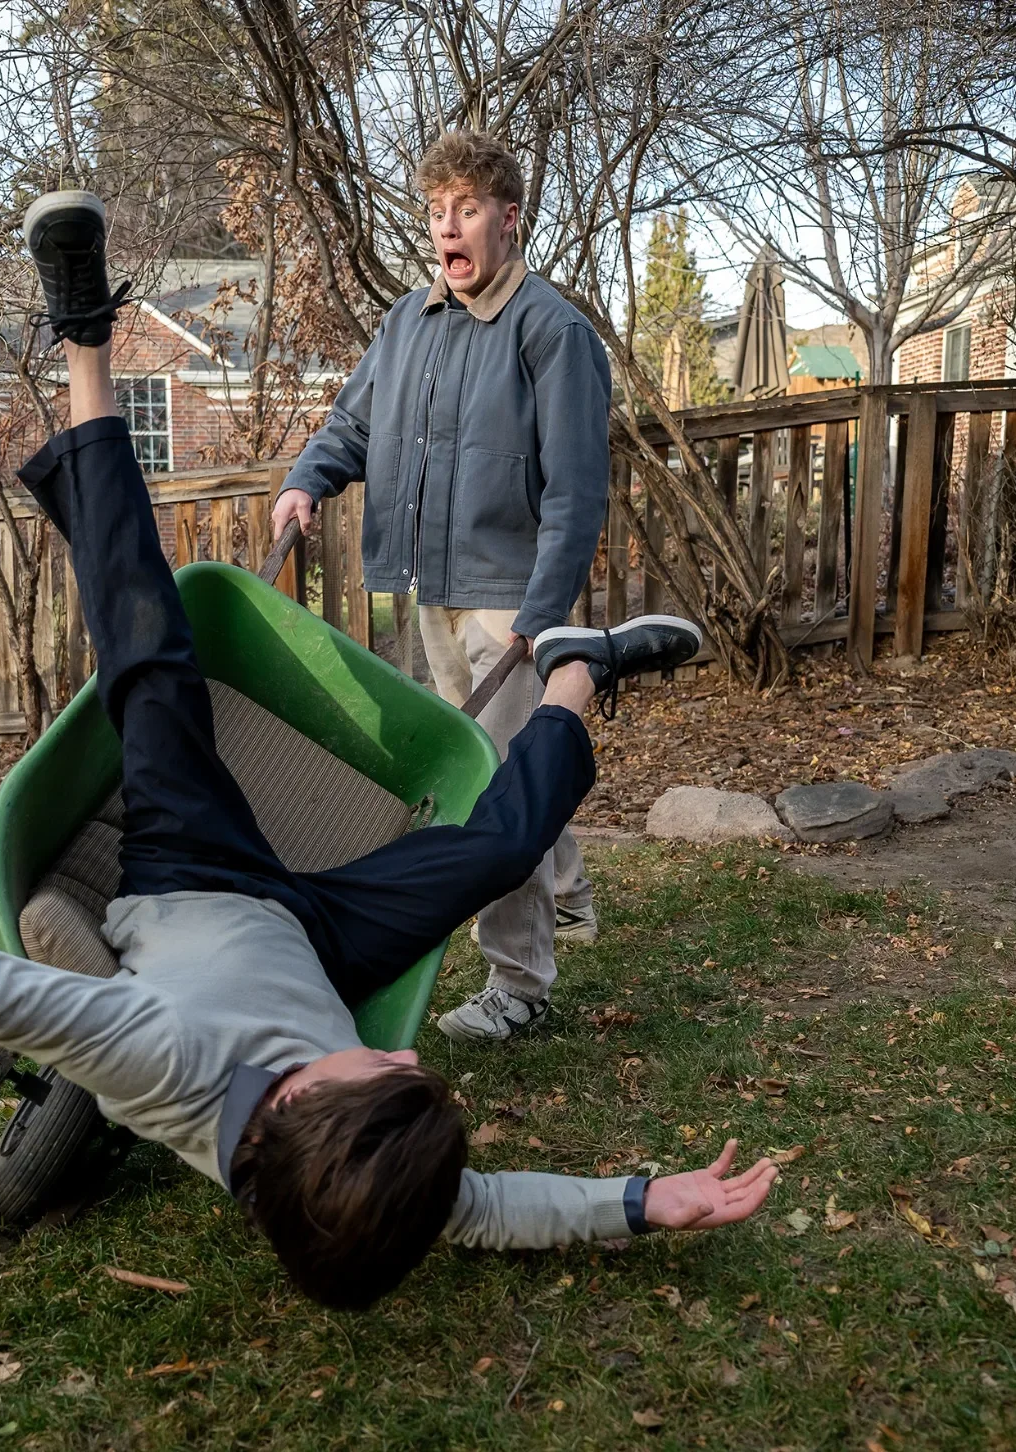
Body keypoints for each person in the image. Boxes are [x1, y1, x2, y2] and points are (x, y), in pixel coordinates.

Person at [0, 191, 776, 1313]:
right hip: (320, 940)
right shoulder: (350, 1168)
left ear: (292, 1107)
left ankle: (86, 339)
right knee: (498, 846)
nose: (405, 1058)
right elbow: (481, 1210)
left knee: (147, 657)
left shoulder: (164, 1065)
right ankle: (580, 671)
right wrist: (639, 1202)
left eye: (389, 1077)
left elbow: (13, 1001)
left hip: (190, 876)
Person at [271, 130, 618, 1044]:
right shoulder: (406, 324)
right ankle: (569, 895)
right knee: (491, 769)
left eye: (466, 209)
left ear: (508, 219)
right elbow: (353, 423)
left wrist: (540, 620)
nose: (448, 228)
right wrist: (308, 479)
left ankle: (520, 987)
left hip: (511, 595)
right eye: (435, 212)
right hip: (434, 590)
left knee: (496, 788)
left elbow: (579, 492)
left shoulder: (552, 331)